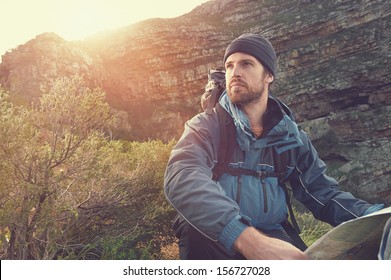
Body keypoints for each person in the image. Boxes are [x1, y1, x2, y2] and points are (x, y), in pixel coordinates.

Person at [163, 33, 383, 260]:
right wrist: (247, 239)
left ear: (268, 75)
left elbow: (322, 194)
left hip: (272, 232)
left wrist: (374, 217)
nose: (235, 72)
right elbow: (182, 175)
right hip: (218, 236)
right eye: (229, 66)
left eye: (246, 63)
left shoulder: (291, 137)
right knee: (194, 229)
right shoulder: (207, 125)